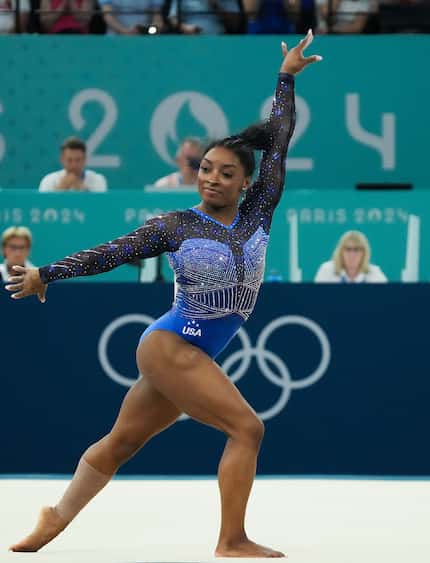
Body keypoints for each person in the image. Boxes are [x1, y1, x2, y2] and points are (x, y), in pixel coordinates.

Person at [6, 31, 321, 557]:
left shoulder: (260, 213)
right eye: (204, 169)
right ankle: (232, 540)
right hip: (170, 345)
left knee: (122, 442)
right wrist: (47, 274)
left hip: (189, 352)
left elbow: (280, 138)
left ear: (247, 182)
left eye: (226, 173)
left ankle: (54, 520)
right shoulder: (175, 225)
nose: (211, 179)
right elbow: (110, 251)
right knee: (247, 428)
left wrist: (285, 79)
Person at [314, 230, 387, 283]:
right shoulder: (327, 270)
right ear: (340, 252)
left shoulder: (375, 273)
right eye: (348, 249)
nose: (352, 254)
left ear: (364, 253)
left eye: (357, 249)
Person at [39, 137, 107, 192]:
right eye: (69, 160)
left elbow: (101, 206)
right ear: (62, 159)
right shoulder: (49, 180)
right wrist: (60, 189)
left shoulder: (98, 180)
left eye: (78, 160)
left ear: (84, 159)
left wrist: (83, 190)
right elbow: (42, 206)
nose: (74, 165)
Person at [100, 0, 164, 35]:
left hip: (143, 39)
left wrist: (148, 30)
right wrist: (125, 32)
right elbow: (108, 16)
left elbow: (157, 20)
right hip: (115, 39)